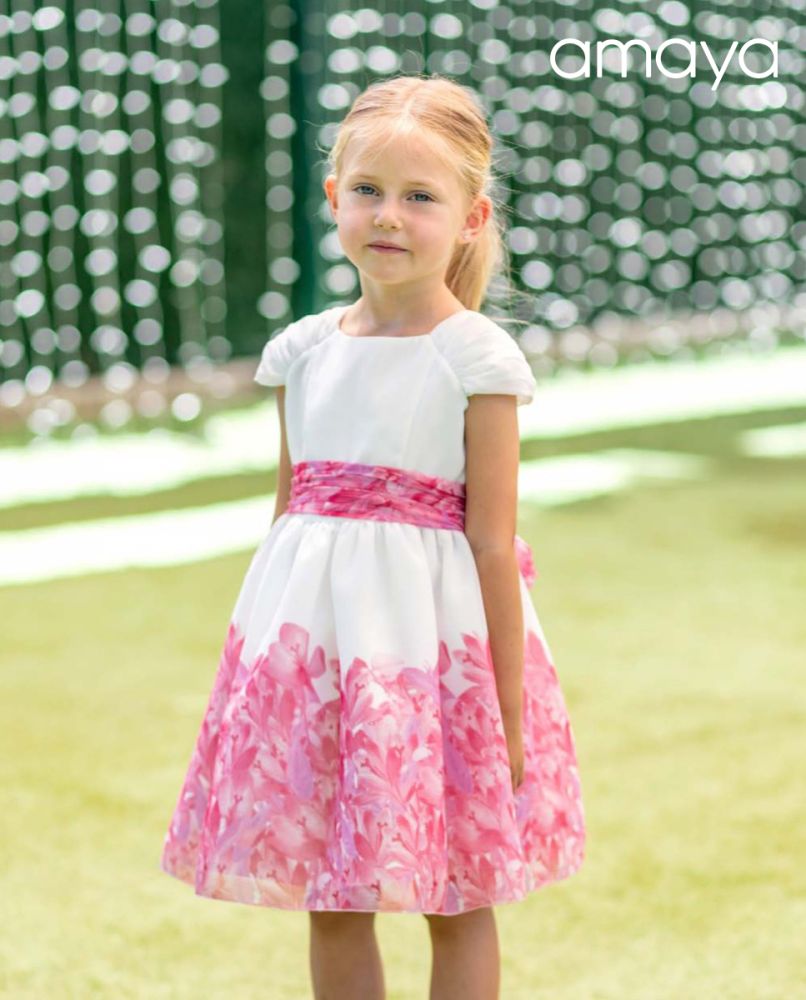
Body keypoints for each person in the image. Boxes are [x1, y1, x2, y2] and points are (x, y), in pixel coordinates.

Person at [160, 72, 585, 1000]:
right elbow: (289, 519)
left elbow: (491, 546)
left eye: (420, 197)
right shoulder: (303, 353)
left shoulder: (475, 357)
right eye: (368, 190)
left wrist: (507, 714)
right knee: (333, 894)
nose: (389, 216)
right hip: (320, 667)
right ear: (333, 198)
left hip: (433, 664)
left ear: (472, 218)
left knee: (457, 895)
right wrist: (261, 687)